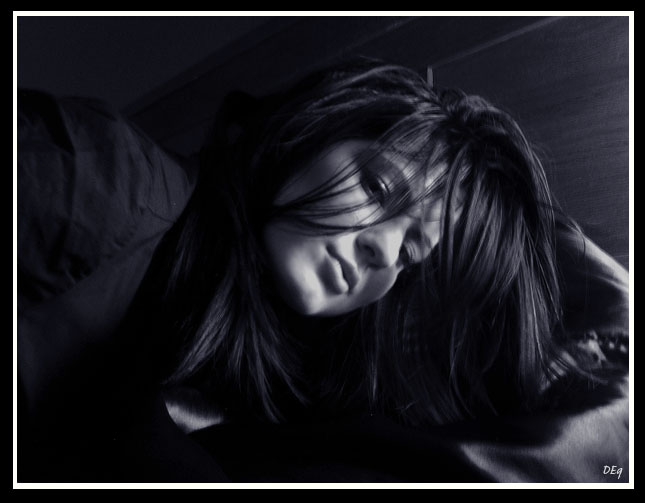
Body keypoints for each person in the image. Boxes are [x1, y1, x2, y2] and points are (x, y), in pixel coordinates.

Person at [17, 57, 629, 482]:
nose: (383, 252)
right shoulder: (100, 178)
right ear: (309, 135)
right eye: (378, 187)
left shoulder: (276, 385)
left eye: (410, 253)